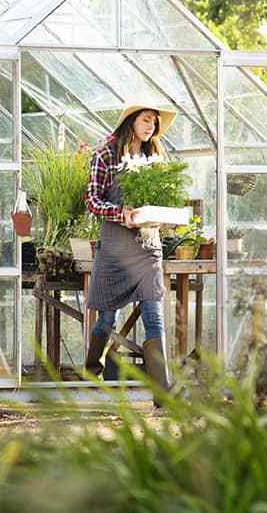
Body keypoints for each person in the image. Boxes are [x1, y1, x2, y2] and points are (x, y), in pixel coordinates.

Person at [83, 103, 177, 404]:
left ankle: (162, 392)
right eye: (146, 119)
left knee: (154, 315)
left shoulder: (156, 159)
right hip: (115, 250)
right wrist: (118, 212)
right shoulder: (105, 155)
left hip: (147, 248)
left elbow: (166, 198)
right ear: (131, 122)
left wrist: (163, 215)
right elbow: (92, 200)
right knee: (106, 319)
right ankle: (91, 369)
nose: (152, 126)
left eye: (155, 122)